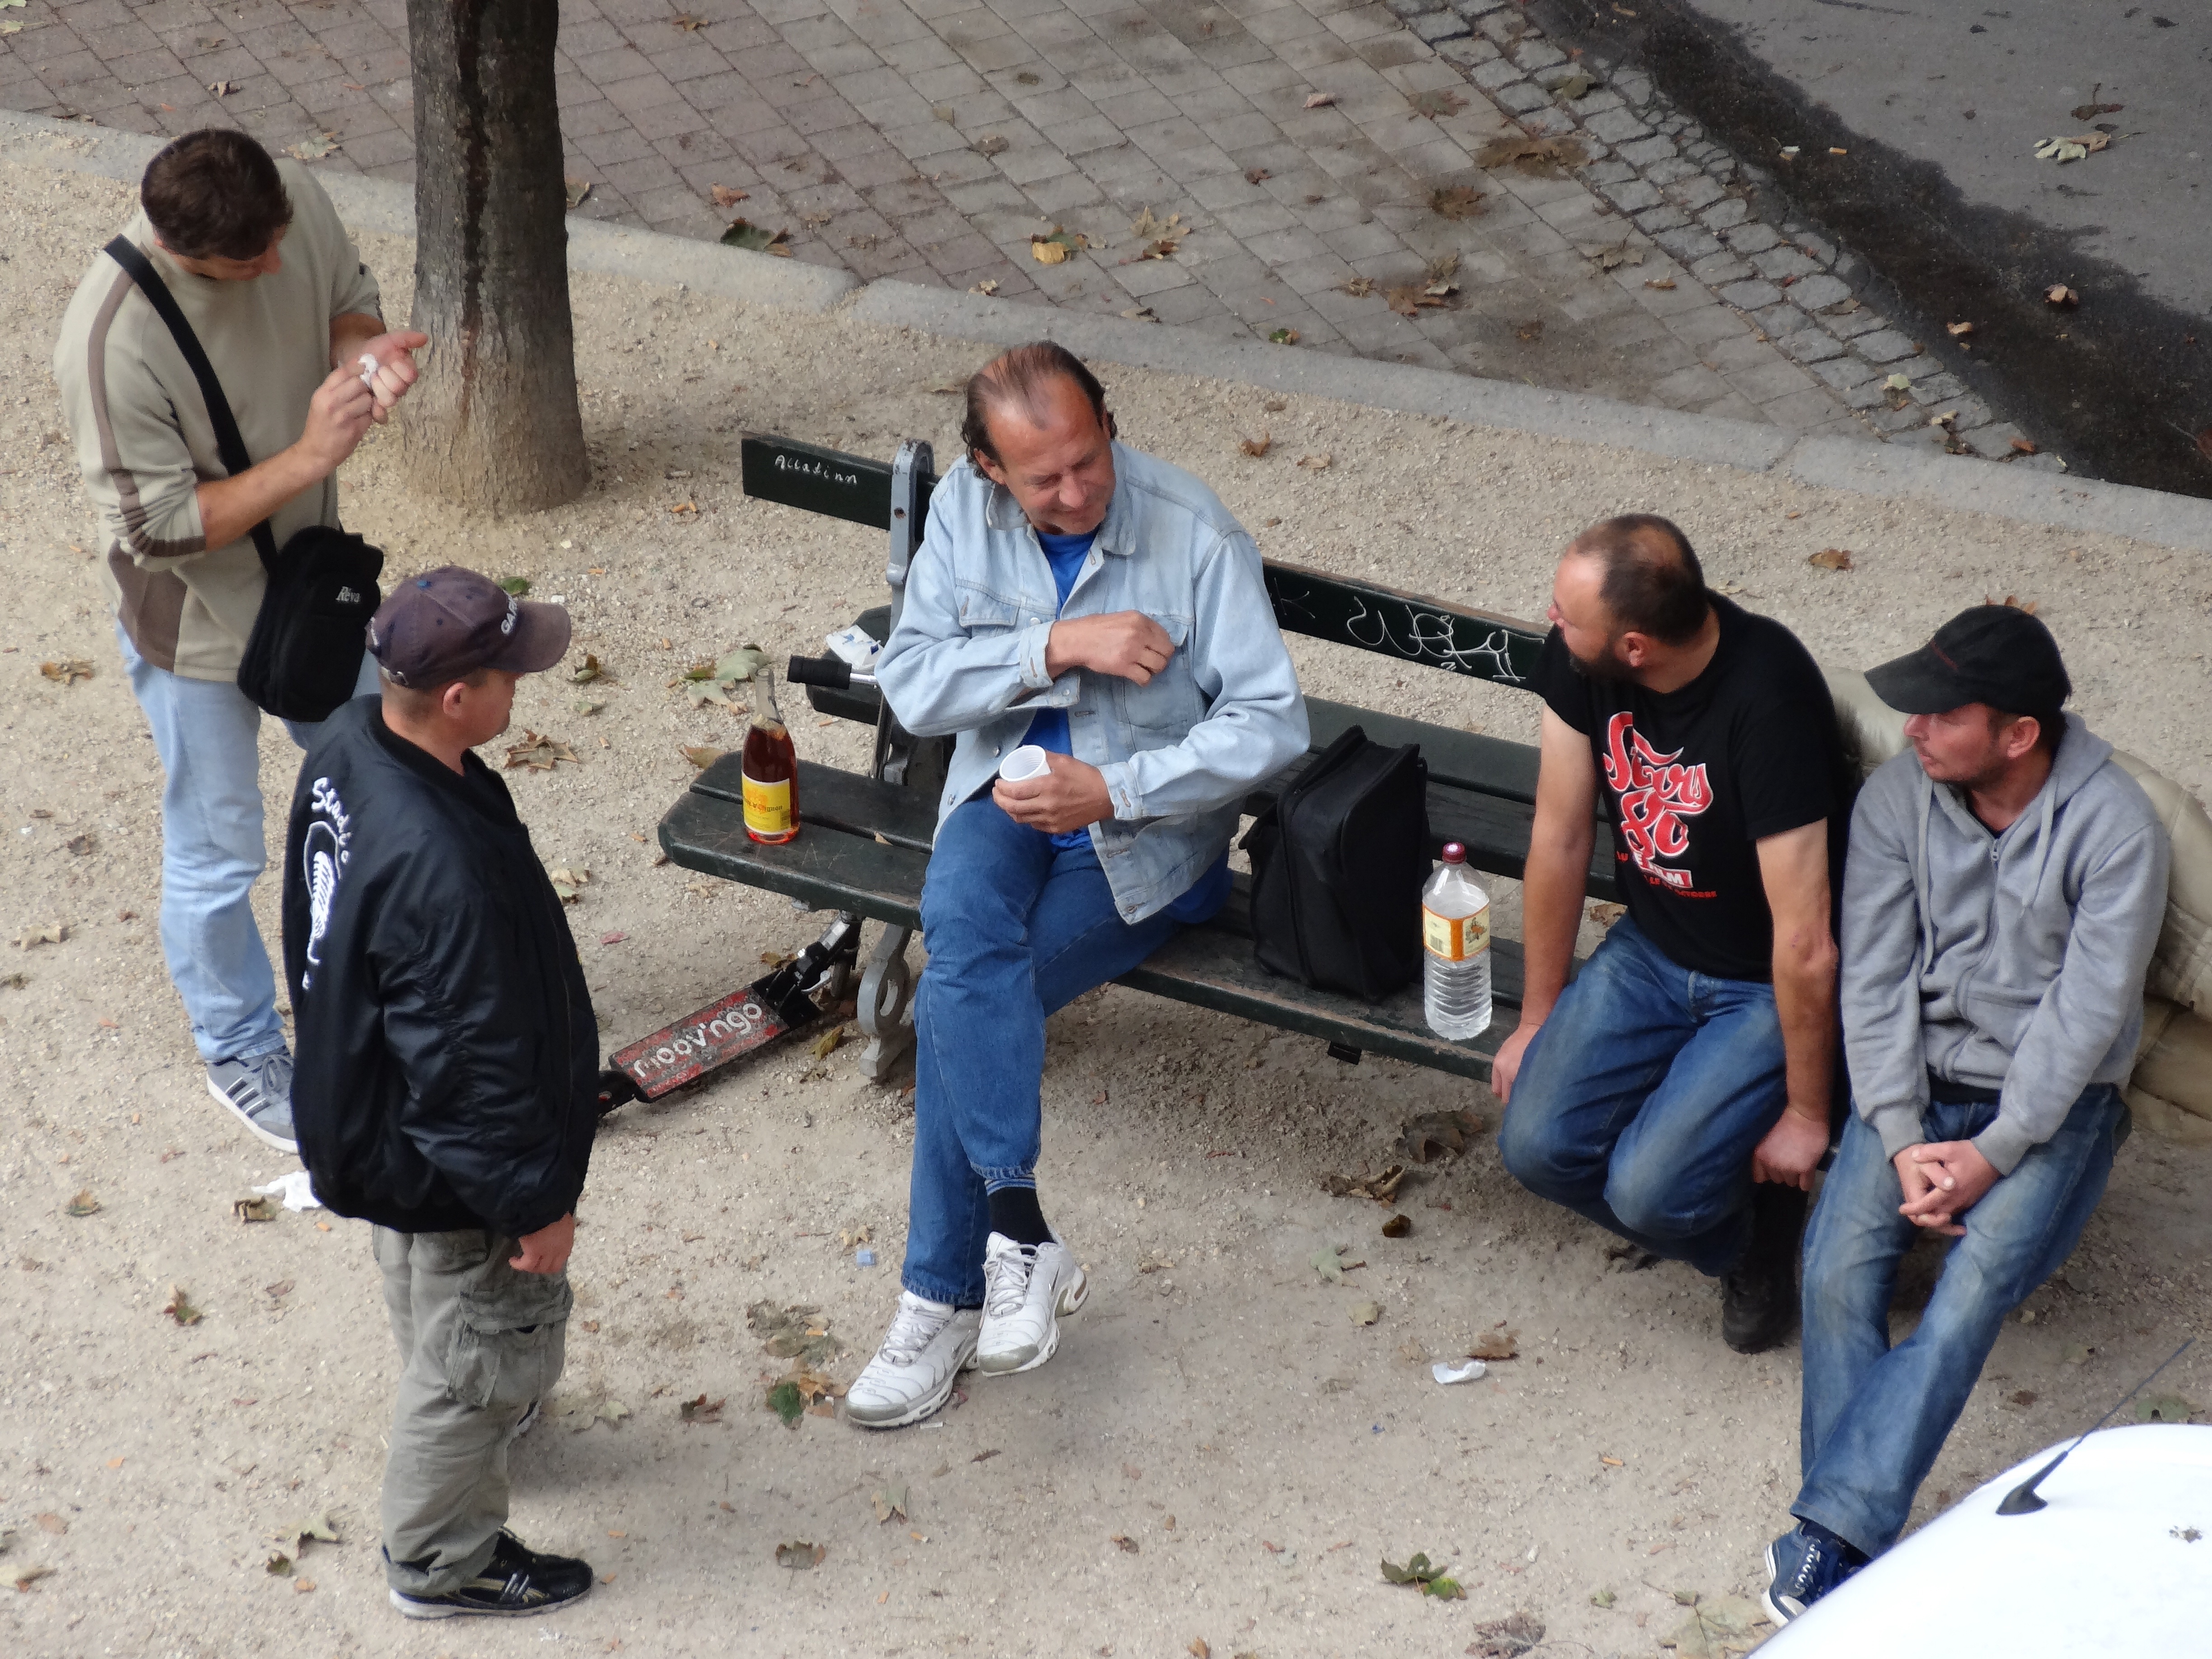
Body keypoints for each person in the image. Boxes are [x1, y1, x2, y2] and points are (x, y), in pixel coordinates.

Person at [851, 342, 1308, 1428]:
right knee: (964, 937)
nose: (1075, 492)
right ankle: (1022, 1234)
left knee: (960, 1000)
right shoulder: (963, 511)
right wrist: (1054, 646)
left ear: (1108, 422)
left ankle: (938, 1299)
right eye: (1043, 478)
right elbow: (913, 685)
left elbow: (1272, 724)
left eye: (1088, 461)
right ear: (989, 468)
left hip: (1145, 840)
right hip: (1003, 796)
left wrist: (1117, 787)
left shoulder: (1194, 533)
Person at [1762, 606, 2167, 1622]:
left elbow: (2086, 1020)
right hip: (1912, 1083)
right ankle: (1847, 1534)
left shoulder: (2116, 830)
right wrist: (1901, 1136)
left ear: (2019, 734)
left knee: (1974, 1288)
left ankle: (1830, 1543)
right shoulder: (1899, 797)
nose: (1913, 730)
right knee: (1834, 1270)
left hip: (2053, 1106)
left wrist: (1993, 1151)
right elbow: (1875, 978)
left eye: (1943, 715)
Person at [53, 127, 426, 1154]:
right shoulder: (110, 341)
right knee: (219, 852)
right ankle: (239, 1048)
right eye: (245, 262)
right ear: (178, 248)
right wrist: (312, 455)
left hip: (309, 593)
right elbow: (158, 530)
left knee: (386, 789)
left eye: (275, 242)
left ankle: (398, 989)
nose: (270, 267)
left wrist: (363, 357)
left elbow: (347, 298)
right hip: (194, 627)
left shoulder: (286, 197)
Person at [280, 567, 601, 1620]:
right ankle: (441, 1560)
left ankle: (474, 1426)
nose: (522, 682)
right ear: (458, 696)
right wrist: (536, 1204)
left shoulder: (351, 745)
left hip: (374, 1115)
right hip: (453, 1154)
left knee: (427, 1289)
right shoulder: (439, 868)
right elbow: (475, 1076)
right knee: (482, 1343)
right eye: (509, 672)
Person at [1492, 516, 1851, 1353]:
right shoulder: (1585, 659)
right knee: (1535, 1149)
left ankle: (1762, 1226)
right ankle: (1739, 1235)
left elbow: (1805, 941)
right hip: (1650, 953)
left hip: (1759, 985)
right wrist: (1538, 1017)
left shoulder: (1770, 698)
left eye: (1568, 617)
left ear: (1637, 648)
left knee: (1646, 1193)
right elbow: (1560, 836)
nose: (1552, 623)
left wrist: (1807, 1113)